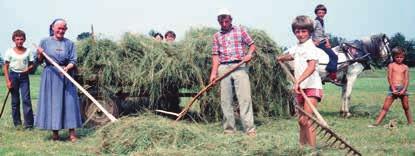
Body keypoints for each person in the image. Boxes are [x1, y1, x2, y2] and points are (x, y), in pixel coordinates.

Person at [277, 15, 324, 147]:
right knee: (301, 121)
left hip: (312, 87)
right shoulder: (298, 46)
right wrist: (282, 58)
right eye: (297, 31)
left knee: (307, 120)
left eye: (303, 31)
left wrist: (298, 81)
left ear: (309, 32)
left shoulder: (311, 47)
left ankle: (312, 151)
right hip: (301, 88)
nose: (300, 34)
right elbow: (293, 55)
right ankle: (302, 148)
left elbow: (311, 67)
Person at [209, 8, 256, 136]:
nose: (224, 24)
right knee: (225, 100)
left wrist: (249, 54)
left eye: (226, 21)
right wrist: (213, 73)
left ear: (230, 19)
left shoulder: (240, 31)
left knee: (244, 98)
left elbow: (252, 45)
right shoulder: (217, 36)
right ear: (218, 22)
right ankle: (229, 130)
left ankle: (249, 129)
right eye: (221, 22)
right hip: (223, 68)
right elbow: (215, 56)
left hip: (239, 66)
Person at [35, 19, 82, 142]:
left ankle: (72, 133)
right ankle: (55, 133)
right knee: (54, 103)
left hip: (67, 75)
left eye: (63, 28)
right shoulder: (45, 42)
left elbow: (73, 60)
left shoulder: (70, 43)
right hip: (51, 75)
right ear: (52, 28)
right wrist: (39, 54)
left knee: (70, 103)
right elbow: (39, 61)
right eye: (59, 28)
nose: (61, 31)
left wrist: (67, 68)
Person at [370, 47, 413, 127]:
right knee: (385, 107)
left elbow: (407, 80)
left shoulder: (405, 67)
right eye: (397, 57)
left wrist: (404, 90)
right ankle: (376, 123)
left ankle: (411, 123)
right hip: (393, 89)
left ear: (404, 57)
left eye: (401, 57)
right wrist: (393, 89)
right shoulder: (391, 65)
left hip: (403, 89)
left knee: (406, 107)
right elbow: (389, 77)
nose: (399, 59)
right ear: (394, 57)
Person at [3, 29, 35, 129]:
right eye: (17, 39)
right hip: (13, 76)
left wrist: (28, 69)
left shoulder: (28, 51)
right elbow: (5, 67)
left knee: (26, 99)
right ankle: (17, 123)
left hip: (24, 77)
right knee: (15, 101)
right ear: (14, 40)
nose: (19, 41)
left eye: (21, 39)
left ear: (24, 40)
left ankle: (29, 124)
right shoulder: (9, 51)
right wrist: (8, 81)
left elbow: (32, 65)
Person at [312, 4, 339, 83]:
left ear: (325, 14)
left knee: (332, 55)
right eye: (319, 13)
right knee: (334, 56)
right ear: (316, 13)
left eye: (323, 13)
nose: (321, 14)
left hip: (323, 42)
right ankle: (332, 74)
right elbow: (310, 31)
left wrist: (327, 42)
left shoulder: (321, 21)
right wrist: (313, 41)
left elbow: (324, 34)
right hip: (319, 43)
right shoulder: (316, 22)